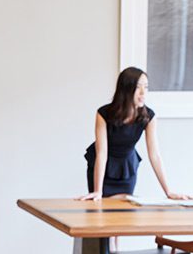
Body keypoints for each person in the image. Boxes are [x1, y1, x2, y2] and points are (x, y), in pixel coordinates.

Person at [80, 67, 187, 201]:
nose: (143, 92)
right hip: (102, 169)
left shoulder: (149, 116)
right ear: (125, 89)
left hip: (127, 168)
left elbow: (154, 155)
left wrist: (168, 192)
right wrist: (98, 191)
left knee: (125, 211)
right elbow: (102, 153)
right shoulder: (104, 114)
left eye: (146, 87)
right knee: (101, 210)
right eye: (138, 87)